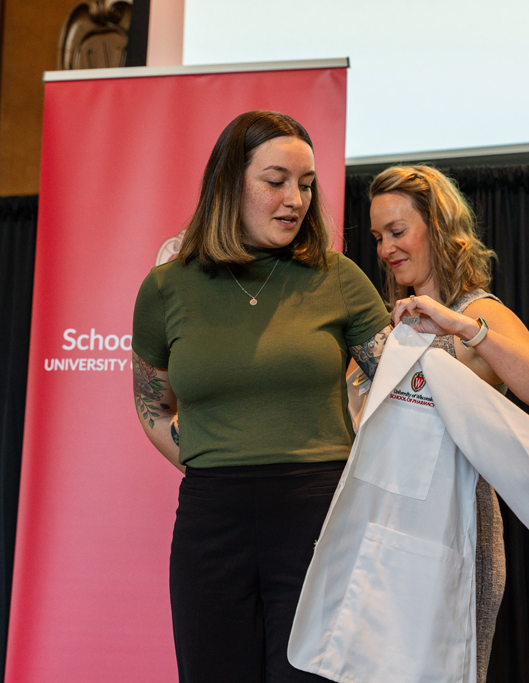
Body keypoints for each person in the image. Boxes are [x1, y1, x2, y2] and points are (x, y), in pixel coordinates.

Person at [131, 111, 392, 683]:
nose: (295, 199)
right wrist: (211, 462)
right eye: (275, 181)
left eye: (305, 184)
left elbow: (405, 390)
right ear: (230, 183)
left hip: (316, 515)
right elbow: (152, 403)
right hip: (210, 519)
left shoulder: (339, 277)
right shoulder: (166, 287)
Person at [365, 165, 529, 683]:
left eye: (398, 231)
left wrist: (463, 327)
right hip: (386, 526)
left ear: (437, 224)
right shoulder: (388, 323)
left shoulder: (477, 310)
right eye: (378, 237)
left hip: (454, 528)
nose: (386, 248)